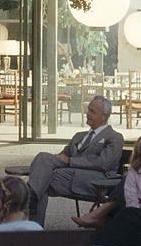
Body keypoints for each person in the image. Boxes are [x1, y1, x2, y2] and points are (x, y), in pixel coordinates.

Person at [27, 96, 124, 226]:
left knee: (42, 179)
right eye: (88, 110)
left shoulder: (114, 137)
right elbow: (62, 156)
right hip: (70, 174)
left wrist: (70, 161)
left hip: (96, 180)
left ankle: (31, 220)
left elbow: (103, 163)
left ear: (104, 116)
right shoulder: (79, 136)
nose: (87, 114)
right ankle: (32, 212)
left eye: (92, 111)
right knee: (43, 158)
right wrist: (60, 159)